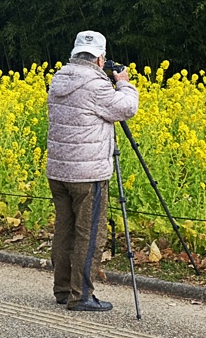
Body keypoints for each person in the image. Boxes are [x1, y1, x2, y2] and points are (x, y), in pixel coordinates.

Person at [46, 31, 138, 311]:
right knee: (89, 233)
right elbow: (126, 108)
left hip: (59, 171)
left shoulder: (59, 78)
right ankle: (81, 295)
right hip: (88, 175)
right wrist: (123, 84)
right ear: (100, 58)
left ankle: (63, 289)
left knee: (65, 230)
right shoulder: (95, 85)